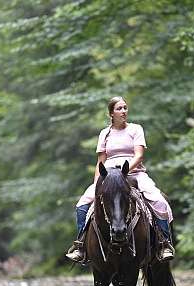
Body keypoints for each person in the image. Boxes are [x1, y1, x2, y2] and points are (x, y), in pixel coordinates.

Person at [66, 96, 175, 262]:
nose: (123, 111)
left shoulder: (135, 129)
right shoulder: (104, 133)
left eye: (125, 108)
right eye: (119, 108)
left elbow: (138, 156)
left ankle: (163, 243)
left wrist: (122, 173)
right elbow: (100, 162)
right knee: (82, 204)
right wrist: (97, 183)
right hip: (108, 177)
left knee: (159, 201)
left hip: (134, 173)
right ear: (111, 113)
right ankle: (81, 245)